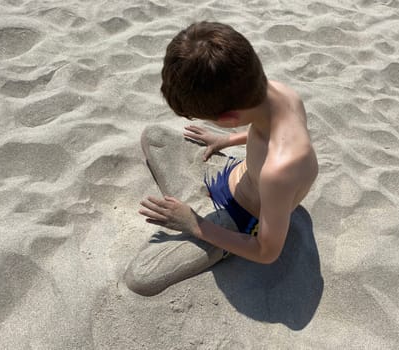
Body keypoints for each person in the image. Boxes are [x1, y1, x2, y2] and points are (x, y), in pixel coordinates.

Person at [124, 21, 318, 296]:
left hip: (244, 218)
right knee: (155, 136)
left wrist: (194, 224)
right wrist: (225, 139)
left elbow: (266, 252)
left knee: (141, 277)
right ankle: (193, 201)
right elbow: (262, 128)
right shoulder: (280, 92)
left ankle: (194, 211)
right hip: (236, 173)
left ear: (229, 118)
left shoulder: (280, 170)